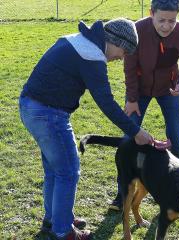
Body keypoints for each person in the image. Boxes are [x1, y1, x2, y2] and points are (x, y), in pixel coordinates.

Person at [19, 18, 153, 239]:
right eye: (123, 51)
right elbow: (106, 103)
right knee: (68, 171)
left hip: (32, 107)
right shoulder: (91, 54)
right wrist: (136, 132)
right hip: (49, 114)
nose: (121, 58)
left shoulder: (79, 41)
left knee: (55, 169)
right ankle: (63, 231)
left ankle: (54, 219)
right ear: (114, 40)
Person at [109, 0, 179, 210]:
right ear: (151, 13)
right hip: (139, 91)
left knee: (176, 137)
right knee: (128, 139)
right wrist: (131, 99)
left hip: (170, 90)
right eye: (161, 20)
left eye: (172, 21)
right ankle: (123, 193)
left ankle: (178, 187)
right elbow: (129, 68)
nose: (166, 26)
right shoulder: (138, 30)